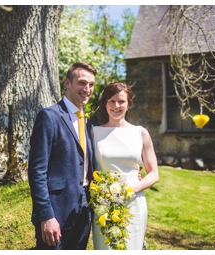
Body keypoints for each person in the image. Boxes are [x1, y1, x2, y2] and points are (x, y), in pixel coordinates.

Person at [28, 62, 97, 249]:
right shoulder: (49, 117)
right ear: (67, 83)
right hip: (56, 210)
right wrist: (46, 215)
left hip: (84, 208)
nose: (87, 89)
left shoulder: (88, 122)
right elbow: (37, 171)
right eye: (82, 83)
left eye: (91, 84)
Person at [91, 82, 159, 250]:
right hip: (104, 203)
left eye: (121, 101)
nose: (116, 106)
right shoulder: (94, 133)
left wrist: (132, 189)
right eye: (111, 101)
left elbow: (154, 173)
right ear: (105, 103)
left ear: (128, 104)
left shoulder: (140, 133)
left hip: (133, 202)